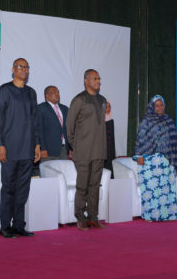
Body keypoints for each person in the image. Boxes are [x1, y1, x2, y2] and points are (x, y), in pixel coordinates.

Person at [0, 58, 40, 238]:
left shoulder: (32, 93)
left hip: (28, 149)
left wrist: (37, 144)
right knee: (8, 188)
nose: (24, 70)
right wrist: (0, 144)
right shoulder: (5, 90)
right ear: (13, 70)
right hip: (10, 148)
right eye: (21, 67)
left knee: (23, 189)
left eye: (27, 67)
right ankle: (5, 226)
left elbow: (35, 121)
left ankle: (19, 225)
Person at [66, 69, 107, 231]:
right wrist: (75, 146)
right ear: (86, 81)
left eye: (99, 78)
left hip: (99, 151)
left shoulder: (102, 100)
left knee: (95, 185)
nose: (98, 81)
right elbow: (69, 127)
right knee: (82, 185)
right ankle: (80, 217)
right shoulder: (79, 100)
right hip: (82, 152)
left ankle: (93, 217)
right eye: (94, 78)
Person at [134, 95, 177, 221]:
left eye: (161, 105)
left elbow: (174, 141)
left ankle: (167, 215)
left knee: (166, 190)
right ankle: (152, 215)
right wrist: (138, 155)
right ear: (152, 106)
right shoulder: (146, 121)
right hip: (150, 162)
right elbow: (140, 139)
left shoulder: (168, 120)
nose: (160, 107)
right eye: (157, 105)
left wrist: (175, 160)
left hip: (166, 161)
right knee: (152, 190)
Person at [37, 85, 70, 161]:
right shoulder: (41, 108)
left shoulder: (65, 108)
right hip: (48, 151)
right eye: (53, 92)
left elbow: (68, 129)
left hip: (64, 149)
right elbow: (39, 130)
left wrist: (70, 148)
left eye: (58, 92)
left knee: (63, 172)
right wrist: (42, 148)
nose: (57, 94)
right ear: (47, 96)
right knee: (49, 172)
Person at [104, 101, 116, 173]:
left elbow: (112, 138)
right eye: (106, 107)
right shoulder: (99, 121)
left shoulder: (111, 120)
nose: (108, 109)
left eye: (109, 107)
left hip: (110, 149)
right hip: (102, 149)